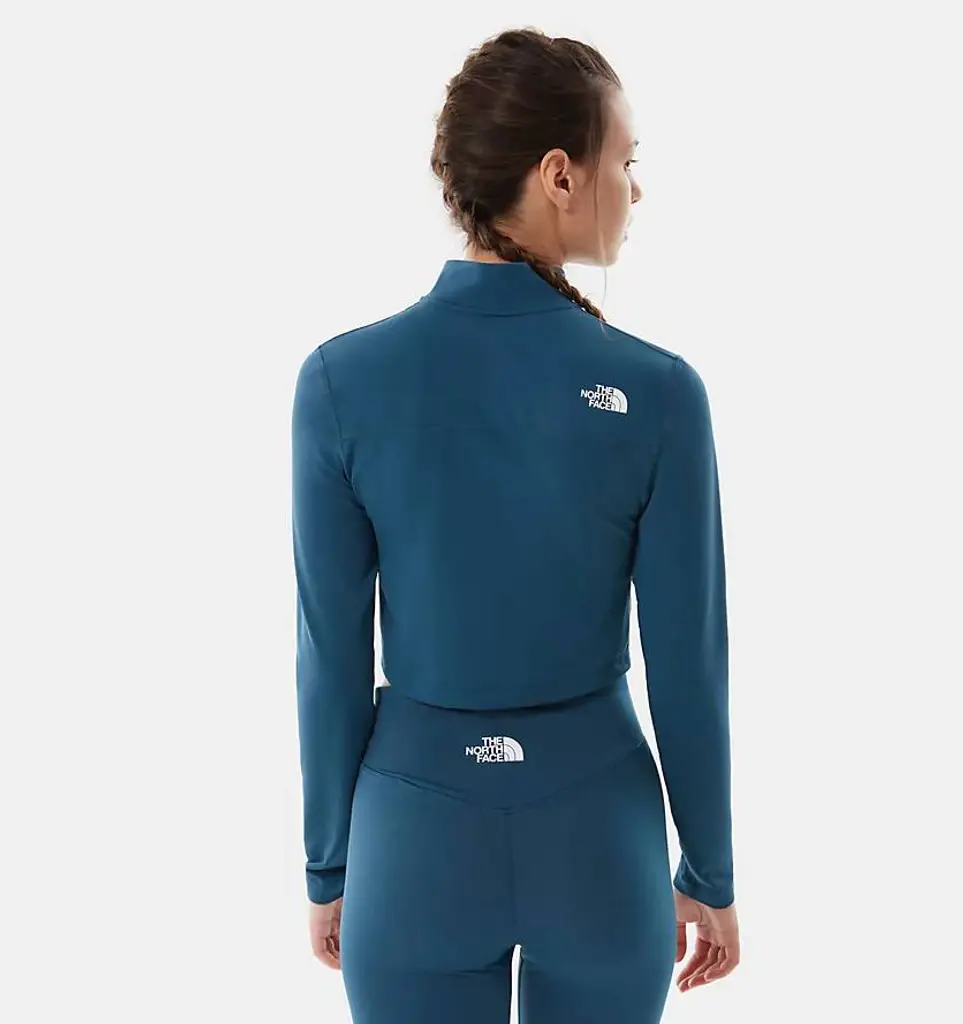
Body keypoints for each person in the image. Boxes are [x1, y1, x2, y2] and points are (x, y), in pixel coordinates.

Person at [290, 25, 740, 1023]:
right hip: (600, 840)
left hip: (412, 837)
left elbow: (331, 655)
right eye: (624, 162)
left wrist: (330, 862)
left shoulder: (339, 383)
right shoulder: (659, 392)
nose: (634, 190)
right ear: (558, 175)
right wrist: (708, 868)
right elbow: (687, 662)